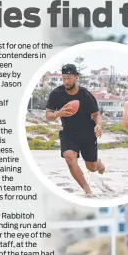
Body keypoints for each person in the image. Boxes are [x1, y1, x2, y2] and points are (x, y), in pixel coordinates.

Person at [45, 63, 105, 196]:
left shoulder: (85, 95)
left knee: (92, 167)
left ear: (76, 77)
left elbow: (96, 115)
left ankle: (98, 163)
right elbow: (48, 116)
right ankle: (88, 191)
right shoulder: (56, 94)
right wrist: (58, 113)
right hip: (69, 133)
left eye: (69, 78)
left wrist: (98, 125)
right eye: (64, 78)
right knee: (69, 158)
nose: (66, 81)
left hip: (87, 133)